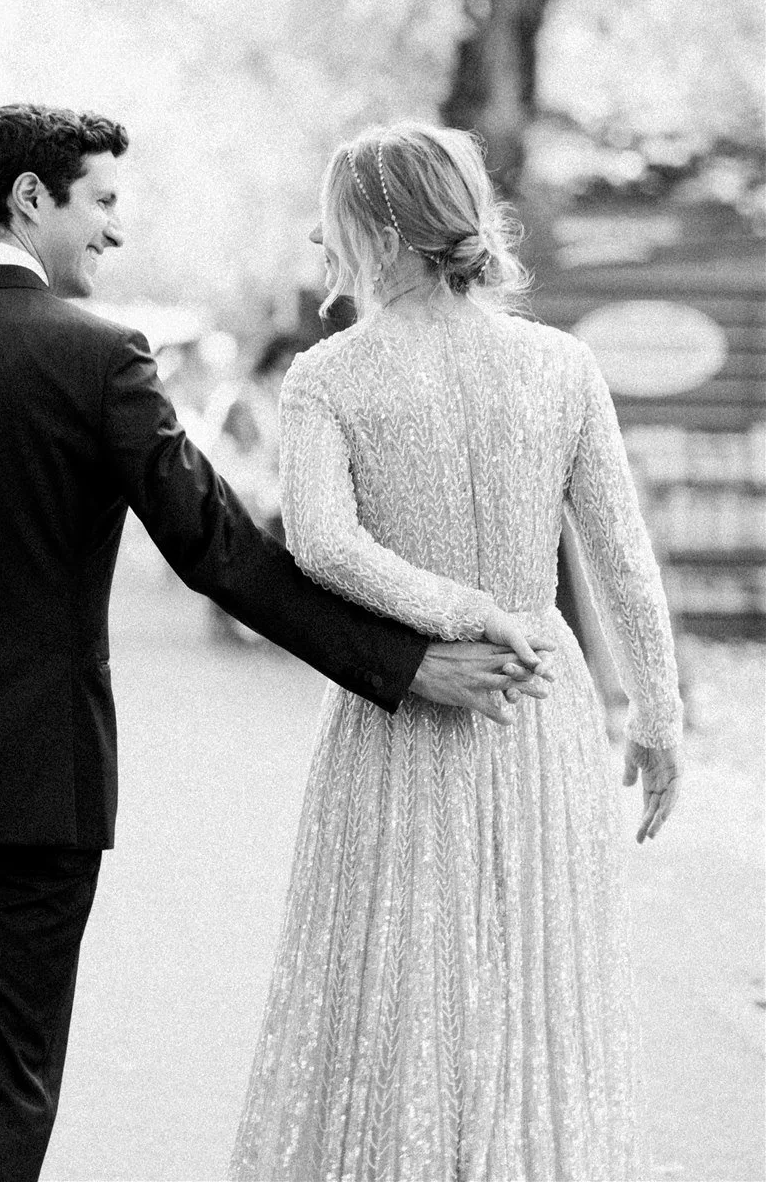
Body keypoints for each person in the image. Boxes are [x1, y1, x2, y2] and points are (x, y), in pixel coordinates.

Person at [0, 103, 554, 1182]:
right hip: (34, 784)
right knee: (1, 1081)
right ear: (30, 198)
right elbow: (221, 551)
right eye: (101, 200)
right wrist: (407, 663)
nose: (115, 228)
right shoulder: (98, 356)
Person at [230, 122, 683, 1182]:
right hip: (539, 695)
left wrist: (453, 610)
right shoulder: (561, 363)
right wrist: (657, 716)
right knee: (529, 970)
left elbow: (321, 541)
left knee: (404, 975)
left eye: (332, 221)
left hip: (407, 707)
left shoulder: (327, 375)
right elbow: (622, 554)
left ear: (382, 233)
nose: (319, 240)